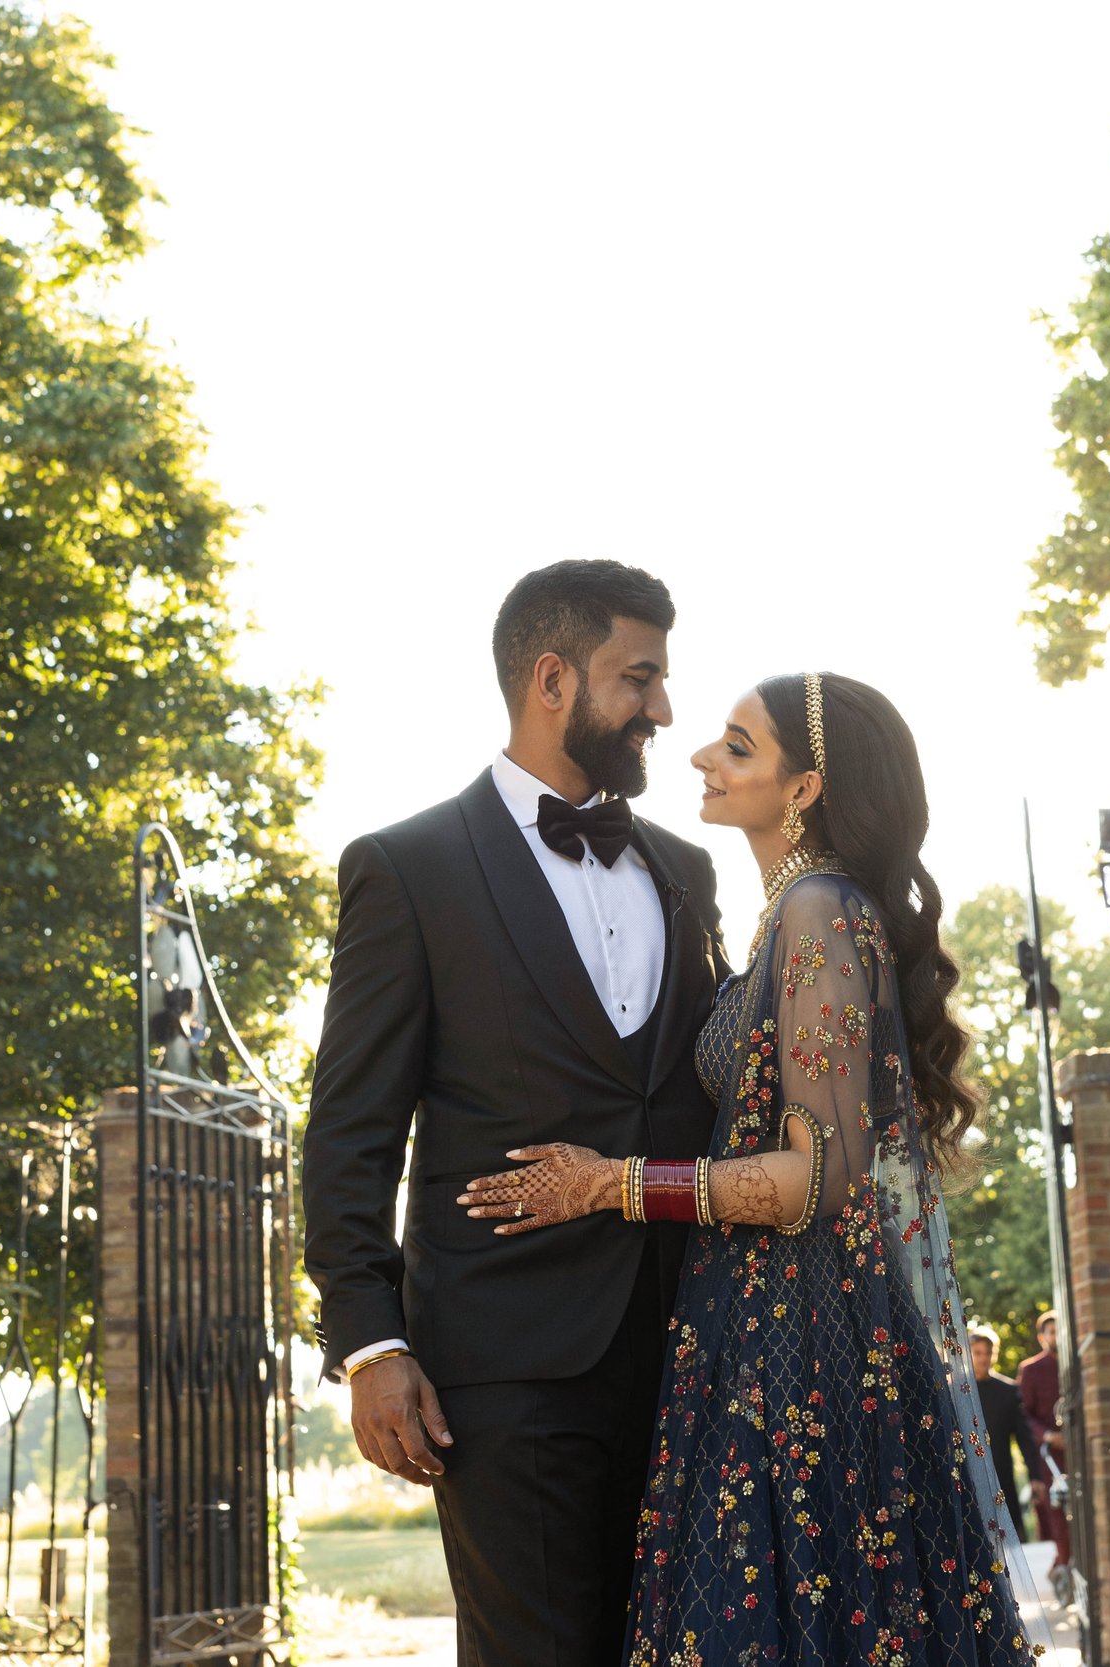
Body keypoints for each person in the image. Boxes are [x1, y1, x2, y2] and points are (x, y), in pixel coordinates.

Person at [459, 672, 1050, 1664]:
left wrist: (606, 1181)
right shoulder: (790, 914)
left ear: (805, 787)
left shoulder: (821, 909)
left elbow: (816, 1177)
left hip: (808, 1351)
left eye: (737, 745)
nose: (700, 754)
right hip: (760, 1326)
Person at [300, 561, 728, 1667]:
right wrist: (370, 1341)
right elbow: (351, 1127)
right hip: (503, 1359)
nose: (663, 709)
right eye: (639, 677)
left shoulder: (684, 870)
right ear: (552, 677)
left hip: (691, 1345)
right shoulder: (408, 867)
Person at [968, 1326, 1051, 1543]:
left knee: (1010, 1543)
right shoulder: (955, 1392)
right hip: (967, 1476)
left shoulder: (1008, 1391)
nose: (984, 1358)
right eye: (977, 1352)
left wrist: (1034, 1476)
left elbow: (1024, 1438)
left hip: (1002, 1476)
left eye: (988, 1352)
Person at [1016, 1310, 1074, 1574]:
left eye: (1060, 1330)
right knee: (1057, 1514)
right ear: (1042, 1337)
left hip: (1078, 1450)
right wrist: (1048, 1436)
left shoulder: (1077, 1364)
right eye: (1052, 1331)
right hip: (1050, 1454)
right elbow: (1024, 1414)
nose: (1057, 1335)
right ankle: (1062, 1567)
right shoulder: (1031, 1369)